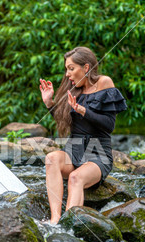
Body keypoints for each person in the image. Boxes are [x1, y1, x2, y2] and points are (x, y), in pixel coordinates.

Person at [39, 46, 127, 224]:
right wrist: (50, 103)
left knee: (75, 177)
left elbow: (109, 126)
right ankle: (55, 219)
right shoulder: (72, 89)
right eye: (66, 69)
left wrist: (82, 110)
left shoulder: (104, 83)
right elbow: (65, 120)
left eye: (71, 68)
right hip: (73, 152)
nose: (67, 74)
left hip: (98, 155)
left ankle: (68, 226)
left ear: (86, 68)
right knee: (51, 158)